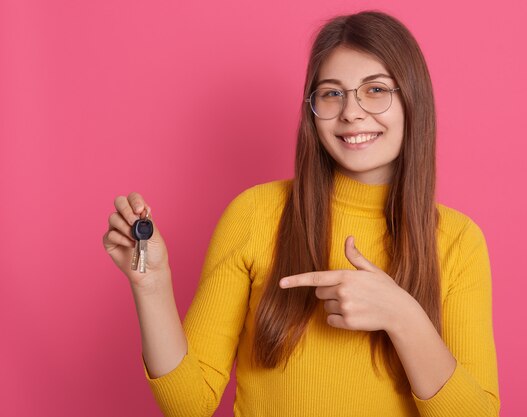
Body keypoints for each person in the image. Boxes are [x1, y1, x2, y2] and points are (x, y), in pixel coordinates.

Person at [103, 10, 500, 417]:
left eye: (376, 89)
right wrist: (152, 285)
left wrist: (402, 316)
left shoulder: (457, 241)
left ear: (413, 99)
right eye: (332, 93)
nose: (351, 112)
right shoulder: (256, 213)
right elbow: (189, 404)